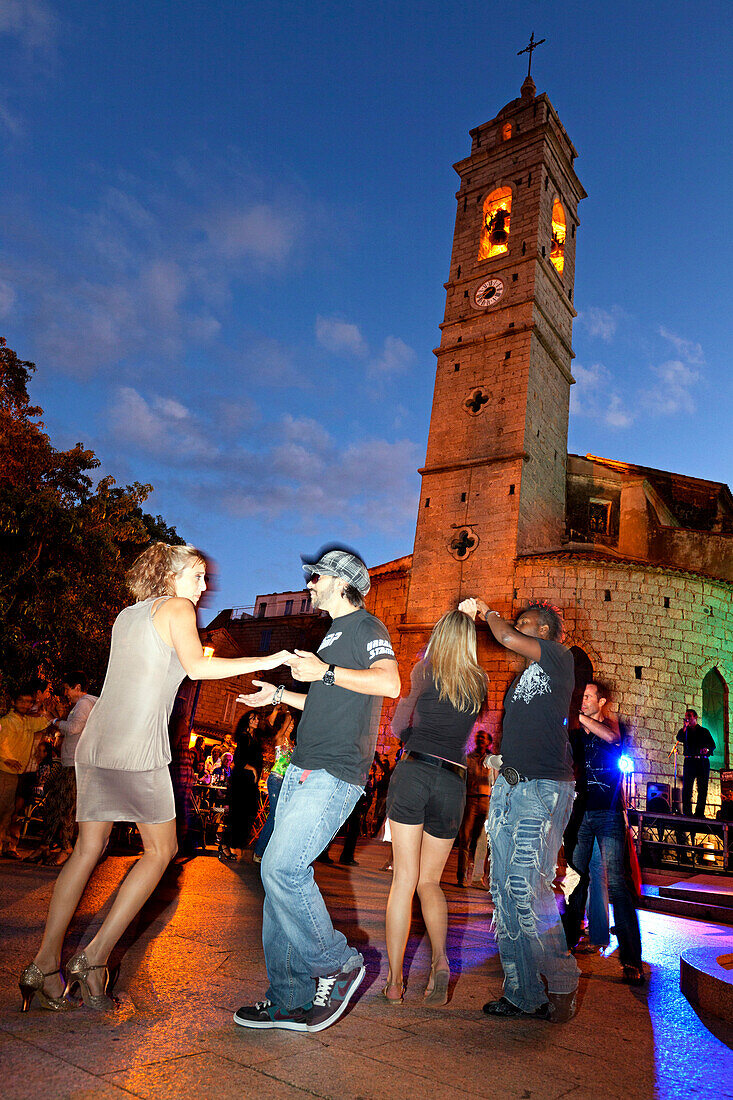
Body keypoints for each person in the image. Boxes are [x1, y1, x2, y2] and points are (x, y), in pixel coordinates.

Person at [19, 541, 289, 1013]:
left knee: (86, 850)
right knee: (161, 851)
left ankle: (42, 966)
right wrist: (268, 662)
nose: (204, 585)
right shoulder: (179, 607)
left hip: (97, 743)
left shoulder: (127, 613)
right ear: (171, 575)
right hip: (137, 746)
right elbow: (197, 666)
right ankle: (95, 958)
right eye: (198, 574)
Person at [234, 548, 400, 1033]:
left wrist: (324, 670)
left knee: (283, 869)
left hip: (333, 772)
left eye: (317, 576)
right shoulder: (331, 633)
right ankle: (289, 998)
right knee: (276, 879)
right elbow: (327, 698)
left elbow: (389, 683)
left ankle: (337, 963)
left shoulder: (367, 627)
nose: (308, 583)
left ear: (342, 582)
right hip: (304, 767)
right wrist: (282, 695)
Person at [459, 598, 579, 1023]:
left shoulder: (559, 659)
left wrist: (486, 611)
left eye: (527, 623)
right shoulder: (522, 678)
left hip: (544, 789)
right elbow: (523, 730)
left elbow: (506, 634)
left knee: (527, 887)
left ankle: (563, 980)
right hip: (510, 789)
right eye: (519, 622)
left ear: (545, 632)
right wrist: (498, 760)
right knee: (504, 894)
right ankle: (522, 993)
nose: (517, 628)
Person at [383, 610, 487, 1006]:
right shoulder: (479, 682)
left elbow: (397, 726)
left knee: (403, 881)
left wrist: (413, 736)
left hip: (415, 773)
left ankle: (395, 983)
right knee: (430, 882)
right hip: (453, 782)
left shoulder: (423, 670)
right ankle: (440, 963)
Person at [563, 682, 643, 985]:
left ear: (601, 701)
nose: (582, 702)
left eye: (586, 698)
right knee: (575, 880)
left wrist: (576, 715)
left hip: (609, 814)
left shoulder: (613, 725)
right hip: (581, 815)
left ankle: (631, 959)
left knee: (618, 885)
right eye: (579, 698)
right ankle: (567, 942)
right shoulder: (575, 734)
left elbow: (610, 738)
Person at [28, 673, 98, 866]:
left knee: (66, 806)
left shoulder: (84, 703)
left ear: (77, 687)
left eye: (67, 689)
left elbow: (74, 728)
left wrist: (53, 720)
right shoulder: (83, 704)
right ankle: (45, 845)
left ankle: (66, 848)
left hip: (77, 763)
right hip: (69, 762)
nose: (65, 693)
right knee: (53, 803)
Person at [0, 687, 53, 857]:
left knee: (16, 810)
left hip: (22, 772)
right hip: (6, 771)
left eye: (28, 701)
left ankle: (9, 846)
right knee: (5, 808)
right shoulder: (7, 721)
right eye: (22, 701)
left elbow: (46, 721)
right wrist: (6, 758)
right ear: (14, 702)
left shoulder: (27, 721)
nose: (25, 705)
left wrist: (43, 705)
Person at [252, 706, 295, 863]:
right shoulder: (280, 738)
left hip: (286, 782)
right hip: (276, 779)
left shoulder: (292, 744)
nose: (291, 725)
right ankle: (258, 851)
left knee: (282, 817)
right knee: (275, 816)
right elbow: (286, 722)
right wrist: (288, 709)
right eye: (289, 724)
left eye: (293, 724)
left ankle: (271, 852)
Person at [219, 716, 262, 862]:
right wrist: (253, 770)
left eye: (257, 719)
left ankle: (230, 845)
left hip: (248, 782)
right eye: (253, 719)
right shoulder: (244, 737)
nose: (257, 721)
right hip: (242, 781)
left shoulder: (253, 737)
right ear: (247, 722)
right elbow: (238, 760)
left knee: (244, 815)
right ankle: (225, 845)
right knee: (237, 815)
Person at [457, 729, 494, 887]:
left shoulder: (492, 761)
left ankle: (478, 877)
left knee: (481, 840)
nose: (479, 739)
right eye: (478, 737)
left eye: (483, 738)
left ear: (488, 742)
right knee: (465, 838)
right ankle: (461, 876)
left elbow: (496, 782)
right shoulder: (468, 759)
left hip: (485, 801)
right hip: (470, 800)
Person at [676, 708, 715, 818]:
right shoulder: (685, 731)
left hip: (702, 761)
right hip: (689, 761)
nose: (687, 717)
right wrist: (685, 727)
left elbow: (712, 745)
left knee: (702, 788)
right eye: (686, 715)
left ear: (695, 717)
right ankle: (687, 812)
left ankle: (699, 813)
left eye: (689, 715)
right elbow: (679, 738)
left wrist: (707, 750)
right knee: (687, 788)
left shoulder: (704, 731)